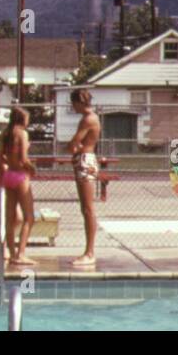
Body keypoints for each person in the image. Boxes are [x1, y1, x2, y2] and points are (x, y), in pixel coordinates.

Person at [0, 107, 37, 267]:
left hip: (8, 175)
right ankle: (21, 254)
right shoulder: (22, 134)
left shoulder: (5, 134)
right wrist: (32, 169)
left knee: (9, 218)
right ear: (22, 119)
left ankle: (12, 254)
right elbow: (24, 158)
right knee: (29, 217)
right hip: (20, 176)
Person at [67, 88, 100, 268]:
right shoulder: (90, 118)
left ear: (79, 102)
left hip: (85, 160)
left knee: (88, 209)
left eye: (74, 104)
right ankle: (88, 251)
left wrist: (73, 147)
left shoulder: (88, 119)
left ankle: (90, 252)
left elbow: (73, 142)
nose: (73, 108)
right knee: (85, 208)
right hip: (85, 159)